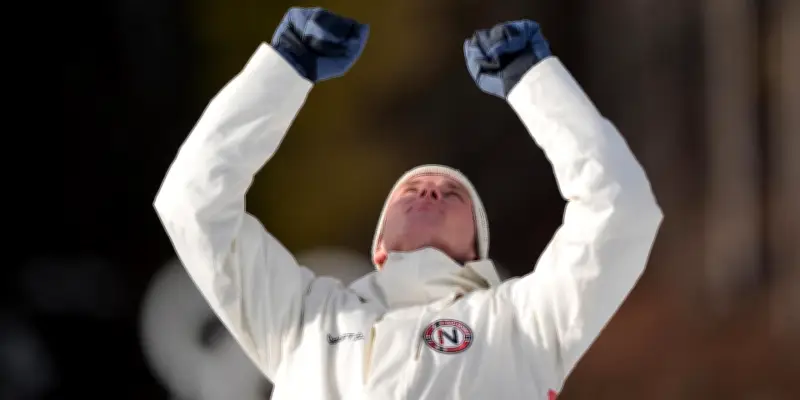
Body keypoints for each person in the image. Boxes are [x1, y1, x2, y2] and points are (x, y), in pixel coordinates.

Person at [154, 6, 663, 400]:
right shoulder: (304, 321)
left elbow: (619, 212)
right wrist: (283, 70)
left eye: (452, 192)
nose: (430, 189)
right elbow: (195, 203)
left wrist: (534, 81)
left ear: (475, 250)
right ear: (378, 246)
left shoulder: (522, 322)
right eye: (411, 191)